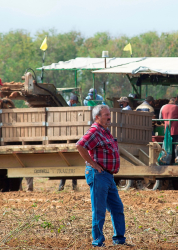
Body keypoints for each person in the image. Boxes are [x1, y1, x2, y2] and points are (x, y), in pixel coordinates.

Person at [76, 105, 128, 247]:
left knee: (117, 208)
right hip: (98, 175)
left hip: (108, 176)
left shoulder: (105, 131)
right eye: (105, 115)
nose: (109, 117)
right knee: (99, 210)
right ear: (97, 117)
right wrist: (93, 164)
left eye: (109, 114)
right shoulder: (95, 131)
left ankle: (119, 240)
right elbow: (80, 145)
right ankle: (98, 241)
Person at [58, 93, 79, 191]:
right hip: (65, 139)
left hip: (71, 139)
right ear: (72, 101)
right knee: (66, 167)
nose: (75, 104)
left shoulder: (71, 108)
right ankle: (61, 187)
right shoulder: (65, 107)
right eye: (74, 102)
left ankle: (74, 187)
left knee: (72, 167)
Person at [159, 98, 178, 162]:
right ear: (175, 102)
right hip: (176, 130)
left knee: (167, 145)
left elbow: (160, 119)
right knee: (177, 145)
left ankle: (166, 160)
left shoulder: (163, 107)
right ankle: (177, 160)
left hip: (167, 130)